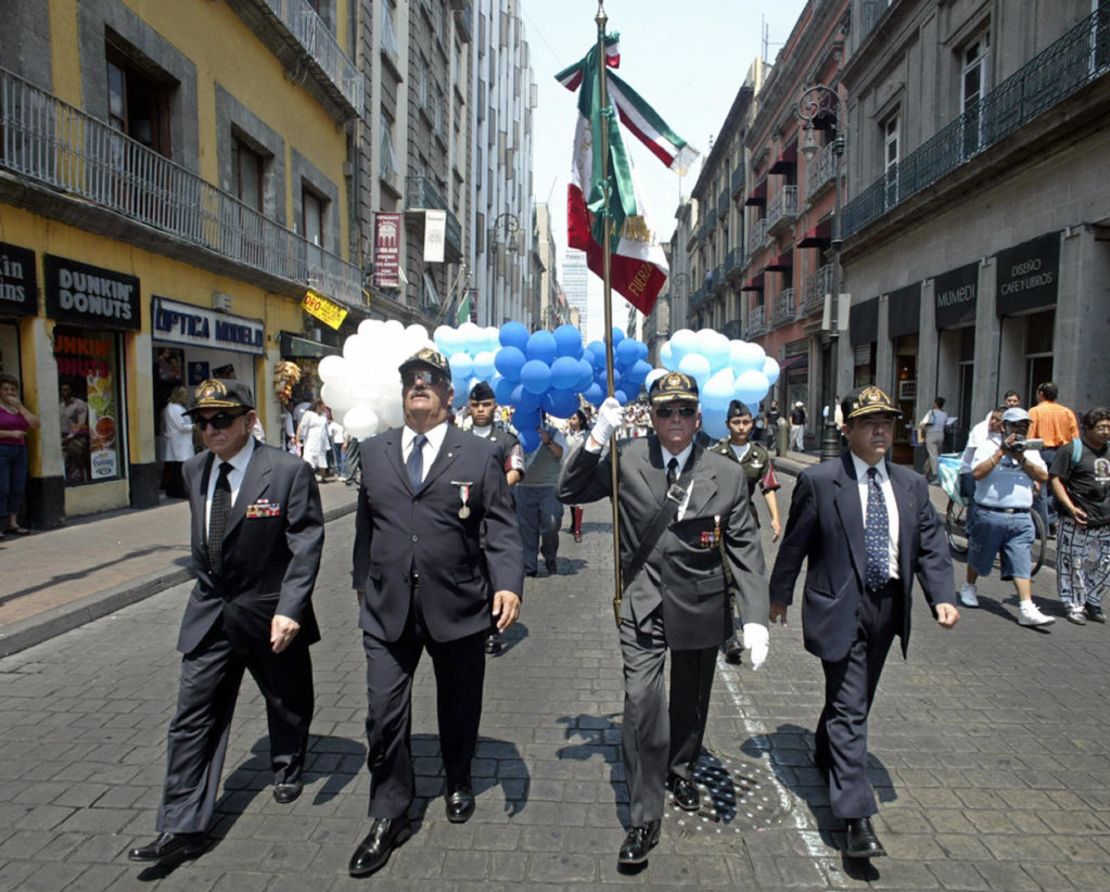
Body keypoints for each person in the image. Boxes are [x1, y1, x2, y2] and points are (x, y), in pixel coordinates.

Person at [558, 372, 769, 868]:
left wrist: (755, 617)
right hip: (643, 601)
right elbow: (569, 490)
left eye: (683, 411)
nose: (674, 420)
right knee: (643, 704)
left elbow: (744, 548)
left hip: (701, 600)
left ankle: (680, 767)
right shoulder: (626, 458)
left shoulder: (726, 471)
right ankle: (644, 815)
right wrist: (594, 439)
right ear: (651, 418)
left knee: (691, 702)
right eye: (664, 412)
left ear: (698, 418)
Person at [128, 380, 324, 868]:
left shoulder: (286, 471)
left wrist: (291, 608)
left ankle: (287, 763)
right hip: (211, 613)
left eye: (221, 420)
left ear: (249, 420)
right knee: (192, 718)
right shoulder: (195, 471)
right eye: (200, 422)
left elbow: (305, 543)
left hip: (269, 611)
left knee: (287, 700)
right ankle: (182, 825)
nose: (209, 430)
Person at [349, 348, 522, 879]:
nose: (418, 385)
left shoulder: (477, 453)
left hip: (459, 604)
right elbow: (366, 527)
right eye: (410, 380)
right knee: (383, 713)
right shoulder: (374, 452)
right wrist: (362, 584)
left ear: (449, 394)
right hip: (388, 609)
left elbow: (500, 526)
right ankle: (390, 812)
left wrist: (509, 585)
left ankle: (458, 774)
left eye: (430, 380)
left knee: (460, 703)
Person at [770, 385, 958, 859]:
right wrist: (780, 596)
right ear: (848, 429)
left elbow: (932, 546)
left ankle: (824, 745)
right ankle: (855, 817)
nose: (881, 431)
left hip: (888, 608)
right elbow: (795, 545)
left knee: (855, 698)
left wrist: (942, 597)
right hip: (839, 606)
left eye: (888, 422)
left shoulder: (912, 485)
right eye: (870, 422)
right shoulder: (820, 481)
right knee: (851, 707)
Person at [957, 407, 1055, 626]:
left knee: (1022, 561)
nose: (1020, 429)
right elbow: (977, 473)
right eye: (1015, 425)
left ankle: (1026, 607)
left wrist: (1022, 459)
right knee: (979, 555)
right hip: (990, 514)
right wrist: (1001, 452)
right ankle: (970, 586)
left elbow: (1043, 475)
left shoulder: (1030, 450)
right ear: (1004, 427)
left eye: (1024, 425)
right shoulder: (986, 446)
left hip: (1020, 517)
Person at [711, 400, 782, 664]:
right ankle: (729, 636)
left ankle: (748, 618)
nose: (742, 427)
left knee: (748, 573)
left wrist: (775, 518)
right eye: (736, 422)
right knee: (723, 574)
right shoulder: (716, 453)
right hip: (719, 521)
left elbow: (768, 487)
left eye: (746, 422)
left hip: (746, 522)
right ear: (728, 425)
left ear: (753, 423)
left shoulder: (759, 455)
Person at [464, 380, 525, 655]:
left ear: (494, 407)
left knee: (492, 574)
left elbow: (516, 471)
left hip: (495, 517)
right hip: (464, 517)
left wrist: (489, 488)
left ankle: (492, 630)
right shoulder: (457, 438)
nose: (480, 410)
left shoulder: (506, 439)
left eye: (485, 404)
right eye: (475, 404)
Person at [1050, 407, 1110, 625]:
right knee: (1072, 562)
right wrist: (1070, 507)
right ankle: (1074, 604)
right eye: (1101, 427)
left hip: (1105, 518)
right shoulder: (1071, 450)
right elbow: (1055, 479)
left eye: (1108, 427)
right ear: (1088, 428)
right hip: (1077, 519)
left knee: (1107, 562)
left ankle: (1092, 598)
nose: (1105, 432)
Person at [516, 412, 567, 576]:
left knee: (551, 523)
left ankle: (550, 555)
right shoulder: (518, 434)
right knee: (526, 529)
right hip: (524, 487)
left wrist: (548, 441)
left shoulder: (554, 432)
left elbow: (562, 453)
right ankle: (529, 565)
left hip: (549, 487)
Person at [1029, 382, 1080, 536]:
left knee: (1042, 490)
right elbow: (1075, 437)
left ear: (1041, 394)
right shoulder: (1067, 412)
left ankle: (1043, 527)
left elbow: (1029, 437)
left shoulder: (1035, 411)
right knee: (1058, 488)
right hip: (1063, 452)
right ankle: (1053, 522)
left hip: (1042, 451)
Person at [0, 373, 41, 537]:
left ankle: (13, 522)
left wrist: (21, 408)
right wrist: (11, 434)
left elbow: (36, 424)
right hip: (2, 450)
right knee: (2, 488)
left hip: (20, 451)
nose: (9, 392)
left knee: (17, 487)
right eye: (5, 389)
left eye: (12, 389)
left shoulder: (19, 409)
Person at [160, 385, 195, 499]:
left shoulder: (173, 408)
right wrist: (195, 426)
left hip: (178, 443)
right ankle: (179, 492)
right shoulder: (174, 408)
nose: (186, 397)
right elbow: (181, 426)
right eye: (184, 395)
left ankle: (175, 491)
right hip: (179, 444)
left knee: (176, 469)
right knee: (179, 470)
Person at [564, 409, 590, 543]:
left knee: (579, 500)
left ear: (580, 420)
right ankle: (574, 522)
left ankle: (578, 530)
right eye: (570, 419)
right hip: (568, 469)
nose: (571, 421)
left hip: (581, 470)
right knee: (571, 498)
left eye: (574, 419)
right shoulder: (565, 434)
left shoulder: (586, 435)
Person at [59, 382, 90, 484]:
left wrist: (69, 437)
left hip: (77, 436)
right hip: (63, 436)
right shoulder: (61, 405)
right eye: (62, 390)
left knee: (73, 449)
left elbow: (80, 424)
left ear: (72, 392)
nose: (63, 392)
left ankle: (78, 476)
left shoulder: (80, 405)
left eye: (66, 390)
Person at [297, 398, 332, 481]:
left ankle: (323, 477)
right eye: (322, 405)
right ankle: (308, 477)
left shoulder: (323, 415)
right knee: (310, 457)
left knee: (322, 458)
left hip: (322, 440)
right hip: (311, 439)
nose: (324, 407)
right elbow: (301, 426)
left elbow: (326, 428)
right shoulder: (308, 414)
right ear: (318, 406)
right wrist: (298, 438)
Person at [918, 397, 949, 483]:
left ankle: (936, 476)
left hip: (931, 434)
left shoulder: (931, 413)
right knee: (934, 455)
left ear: (935, 403)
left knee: (933, 455)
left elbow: (922, 424)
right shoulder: (945, 414)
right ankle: (925, 473)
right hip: (941, 434)